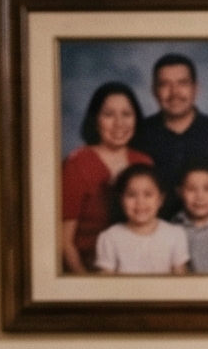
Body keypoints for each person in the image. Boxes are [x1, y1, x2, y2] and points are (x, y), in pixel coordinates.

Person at [136, 52, 208, 226]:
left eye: (182, 83)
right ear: (154, 91)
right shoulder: (138, 135)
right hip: (150, 242)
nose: (174, 93)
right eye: (164, 84)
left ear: (196, 88)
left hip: (207, 241)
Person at [58, 81, 147, 274]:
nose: (119, 123)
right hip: (88, 269)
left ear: (136, 119)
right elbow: (63, 242)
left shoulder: (144, 163)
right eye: (108, 115)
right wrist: (88, 289)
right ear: (95, 120)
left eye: (126, 114)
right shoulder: (77, 164)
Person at [92, 164, 187, 275]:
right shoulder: (110, 237)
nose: (140, 202)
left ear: (160, 199)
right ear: (121, 200)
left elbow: (180, 280)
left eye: (148, 194)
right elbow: (105, 284)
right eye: (132, 195)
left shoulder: (175, 235)